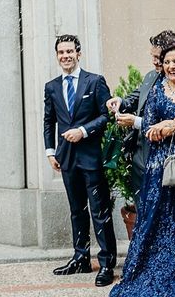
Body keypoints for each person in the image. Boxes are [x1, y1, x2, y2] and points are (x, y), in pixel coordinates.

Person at [110, 40, 175, 296]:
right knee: (155, 223)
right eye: (166, 62)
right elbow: (150, 129)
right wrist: (170, 124)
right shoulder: (157, 90)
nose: (171, 66)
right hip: (160, 171)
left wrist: (169, 128)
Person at [43, 35, 117, 287]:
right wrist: (50, 151)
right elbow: (49, 121)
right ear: (57, 56)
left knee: (99, 210)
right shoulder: (51, 86)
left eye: (69, 51)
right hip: (66, 158)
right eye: (61, 52)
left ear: (78, 54)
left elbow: (107, 116)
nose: (65, 56)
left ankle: (106, 263)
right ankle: (81, 258)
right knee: (77, 211)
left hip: (91, 157)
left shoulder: (94, 82)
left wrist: (83, 131)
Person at [106, 30, 175, 210]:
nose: (154, 61)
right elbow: (136, 97)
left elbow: (174, 123)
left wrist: (135, 122)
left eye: (157, 57)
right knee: (142, 211)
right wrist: (121, 101)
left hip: (167, 159)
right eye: (152, 56)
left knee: (164, 212)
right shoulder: (150, 76)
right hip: (139, 157)